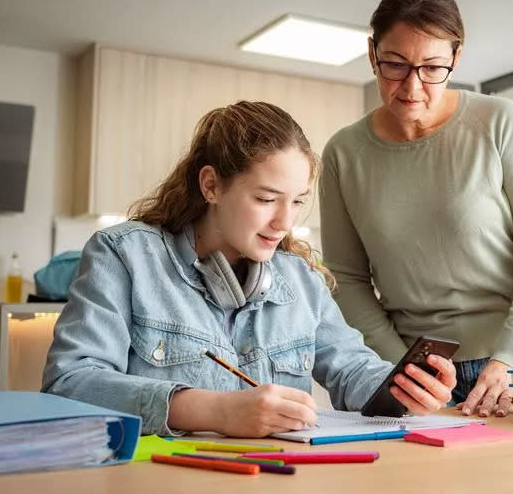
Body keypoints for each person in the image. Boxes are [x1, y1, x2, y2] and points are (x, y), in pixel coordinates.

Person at [42, 101, 455, 437]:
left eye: (296, 201)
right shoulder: (124, 255)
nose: (285, 222)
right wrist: (213, 410)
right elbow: (70, 383)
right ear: (211, 186)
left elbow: (352, 369)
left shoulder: (301, 280)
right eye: (266, 199)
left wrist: (406, 388)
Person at [320, 0, 513, 419]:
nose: (412, 86)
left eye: (433, 67)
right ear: (372, 54)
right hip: (420, 375)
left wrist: (507, 358)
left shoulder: (501, 123)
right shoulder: (344, 154)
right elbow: (347, 277)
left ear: (456, 59)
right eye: (395, 65)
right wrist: (404, 369)